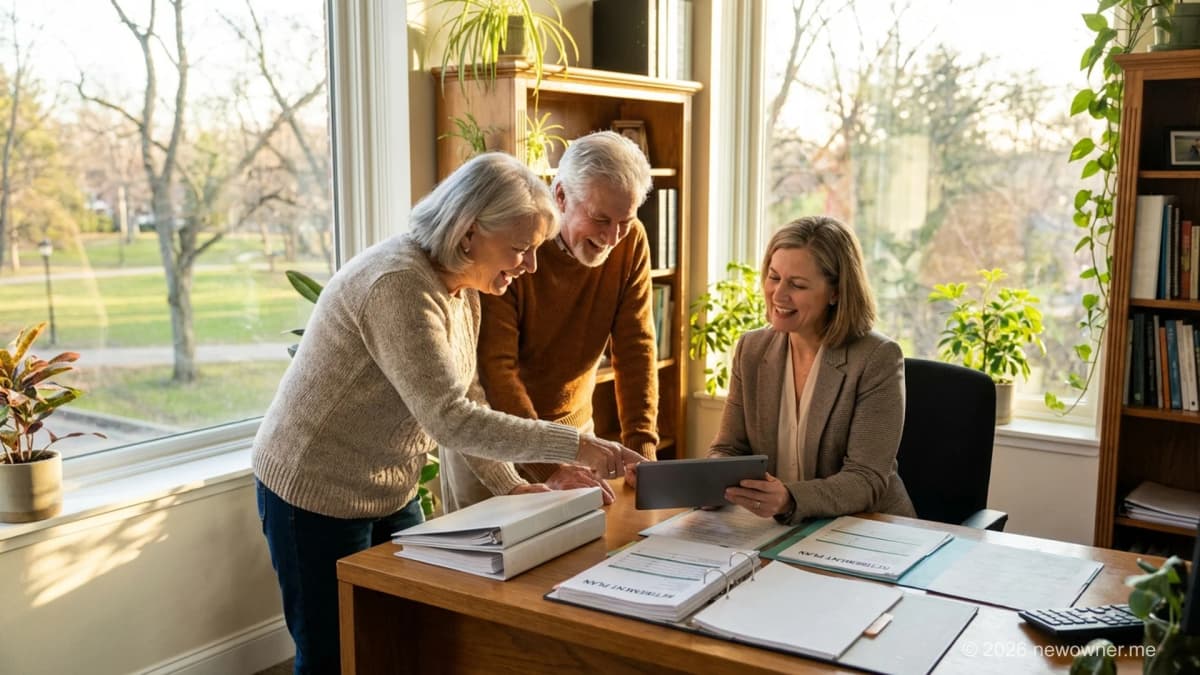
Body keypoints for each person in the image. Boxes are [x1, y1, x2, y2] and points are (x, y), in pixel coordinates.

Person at [251, 152, 644, 675]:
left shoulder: (462, 288)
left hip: (388, 487)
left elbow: (467, 398)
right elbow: (450, 419)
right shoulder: (399, 284)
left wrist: (509, 485)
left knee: (409, 636)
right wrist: (575, 445)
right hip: (314, 489)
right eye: (520, 249)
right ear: (468, 234)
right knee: (334, 655)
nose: (530, 265)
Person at [439, 130, 659, 511]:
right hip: (494, 441)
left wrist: (643, 452)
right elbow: (497, 369)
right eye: (600, 219)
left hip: (576, 434)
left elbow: (635, 347)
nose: (612, 237)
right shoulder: (514, 243)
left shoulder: (631, 241)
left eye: (624, 220)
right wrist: (550, 467)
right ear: (560, 196)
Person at [710, 215, 915, 524]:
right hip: (781, 529)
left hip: (866, 527)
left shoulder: (877, 357)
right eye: (774, 277)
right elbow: (729, 448)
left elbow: (866, 478)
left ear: (836, 292)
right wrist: (709, 483)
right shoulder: (752, 349)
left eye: (797, 285)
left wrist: (789, 498)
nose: (778, 294)